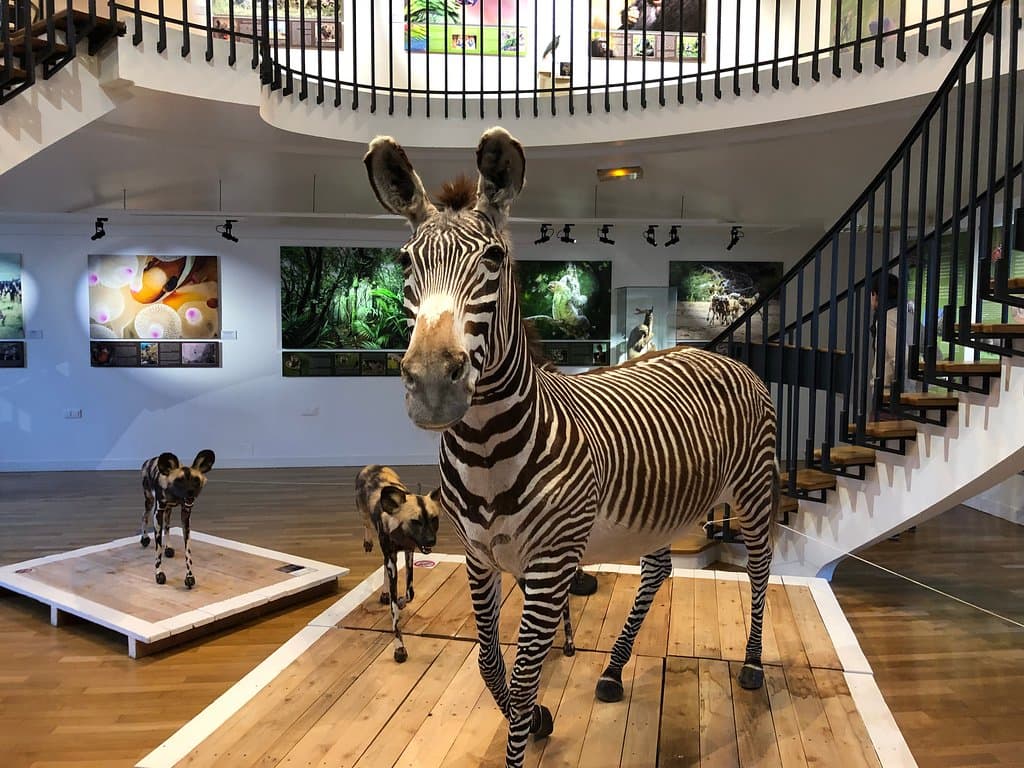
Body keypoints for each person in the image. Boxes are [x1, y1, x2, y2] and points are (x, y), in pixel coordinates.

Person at [867, 272, 919, 421]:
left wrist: (899, 385)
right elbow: (936, 354)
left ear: (875, 295)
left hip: (889, 393)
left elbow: (902, 356)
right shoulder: (910, 318)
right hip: (910, 393)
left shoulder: (886, 319)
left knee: (879, 433)